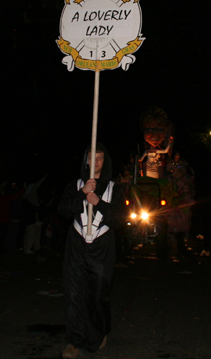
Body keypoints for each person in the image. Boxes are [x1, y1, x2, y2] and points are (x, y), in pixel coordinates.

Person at [59, 143, 126, 359]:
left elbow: (119, 219)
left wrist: (99, 203)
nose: (95, 162)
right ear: (85, 160)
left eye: (99, 158)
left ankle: (98, 333)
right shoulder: (76, 184)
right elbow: (63, 210)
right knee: (74, 294)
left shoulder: (115, 188)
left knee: (98, 294)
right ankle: (74, 342)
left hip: (102, 245)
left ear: (104, 161)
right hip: (77, 245)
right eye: (91, 157)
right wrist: (83, 193)